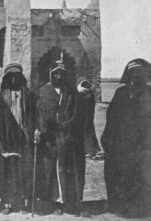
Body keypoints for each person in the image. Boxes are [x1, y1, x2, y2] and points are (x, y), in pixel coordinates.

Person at [37, 61, 89, 216]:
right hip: (51, 139)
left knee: (69, 170)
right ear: (52, 75)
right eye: (55, 74)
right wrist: (44, 129)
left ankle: (70, 202)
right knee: (51, 171)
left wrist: (66, 126)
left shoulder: (72, 92)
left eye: (61, 74)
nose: (58, 76)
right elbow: (40, 113)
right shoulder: (44, 91)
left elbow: (76, 113)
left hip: (68, 138)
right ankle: (55, 202)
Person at [101, 59, 151, 217]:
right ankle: (120, 208)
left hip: (143, 146)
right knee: (120, 176)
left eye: (140, 72)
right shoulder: (121, 93)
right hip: (121, 145)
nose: (136, 76)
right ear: (128, 74)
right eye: (133, 72)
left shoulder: (149, 93)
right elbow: (111, 120)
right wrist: (109, 142)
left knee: (141, 177)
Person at [0, 63, 37, 215]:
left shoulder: (29, 96)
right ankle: (8, 203)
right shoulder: (0, 97)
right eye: (11, 76)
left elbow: (34, 117)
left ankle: (23, 203)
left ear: (21, 77)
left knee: (23, 172)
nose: (14, 79)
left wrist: (34, 132)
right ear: (7, 78)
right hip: (7, 140)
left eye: (17, 76)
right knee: (7, 173)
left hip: (24, 140)